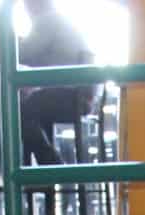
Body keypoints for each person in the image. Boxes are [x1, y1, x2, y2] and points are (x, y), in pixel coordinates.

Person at [16, 0, 94, 169]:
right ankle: (47, 171)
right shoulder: (62, 20)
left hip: (67, 96)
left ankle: (51, 165)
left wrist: (0, 44)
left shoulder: (47, 20)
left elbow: (22, 53)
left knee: (16, 113)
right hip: (80, 97)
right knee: (28, 108)